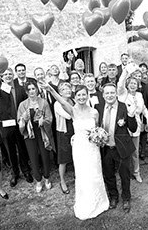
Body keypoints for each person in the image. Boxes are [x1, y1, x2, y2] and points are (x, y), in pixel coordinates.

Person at [40, 82, 109, 220]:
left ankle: (99, 200)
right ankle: (86, 202)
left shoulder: (94, 112)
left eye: (84, 94)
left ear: (87, 95)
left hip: (92, 148)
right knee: (83, 174)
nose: (82, 97)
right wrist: (51, 90)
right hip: (79, 148)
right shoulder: (73, 110)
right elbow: (60, 101)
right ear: (75, 96)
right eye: (79, 95)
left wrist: (99, 136)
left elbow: (97, 128)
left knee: (95, 172)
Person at [95, 83, 137, 213]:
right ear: (103, 95)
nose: (110, 95)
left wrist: (131, 116)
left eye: (112, 92)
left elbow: (133, 128)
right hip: (106, 148)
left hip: (122, 148)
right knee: (108, 175)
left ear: (116, 94)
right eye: (107, 93)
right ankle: (113, 196)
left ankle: (126, 198)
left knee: (125, 175)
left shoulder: (124, 107)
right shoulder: (98, 107)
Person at [0, 68, 33, 187]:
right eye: (6, 74)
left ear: (13, 75)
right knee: (10, 151)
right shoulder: (0, 88)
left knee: (22, 149)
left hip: (19, 123)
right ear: (2, 76)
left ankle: (26, 171)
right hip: (6, 125)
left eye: (10, 74)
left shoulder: (20, 88)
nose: (8, 76)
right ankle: (14, 173)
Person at [17, 81, 55, 193]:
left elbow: (50, 118)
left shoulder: (44, 103)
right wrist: (23, 119)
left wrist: (44, 121)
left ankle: (47, 178)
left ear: (37, 89)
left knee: (45, 155)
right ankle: (38, 180)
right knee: (33, 157)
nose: (31, 91)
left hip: (42, 133)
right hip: (30, 134)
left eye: (33, 88)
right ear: (26, 92)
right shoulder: (22, 105)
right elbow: (19, 121)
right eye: (29, 89)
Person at [117, 68, 148, 183]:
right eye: (131, 83)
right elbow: (120, 83)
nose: (133, 85)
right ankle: (125, 172)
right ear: (127, 85)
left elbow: (144, 108)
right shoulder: (123, 94)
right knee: (124, 151)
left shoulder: (139, 95)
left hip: (136, 125)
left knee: (135, 151)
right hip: (124, 126)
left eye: (135, 84)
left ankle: (136, 172)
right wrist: (126, 71)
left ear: (138, 86)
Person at [53, 82, 75, 194]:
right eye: (64, 89)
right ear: (60, 92)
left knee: (76, 155)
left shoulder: (73, 101)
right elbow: (68, 115)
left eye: (69, 88)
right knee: (63, 159)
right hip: (64, 133)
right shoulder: (58, 104)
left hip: (75, 132)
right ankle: (62, 181)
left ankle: (77, 176)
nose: (68, 91)